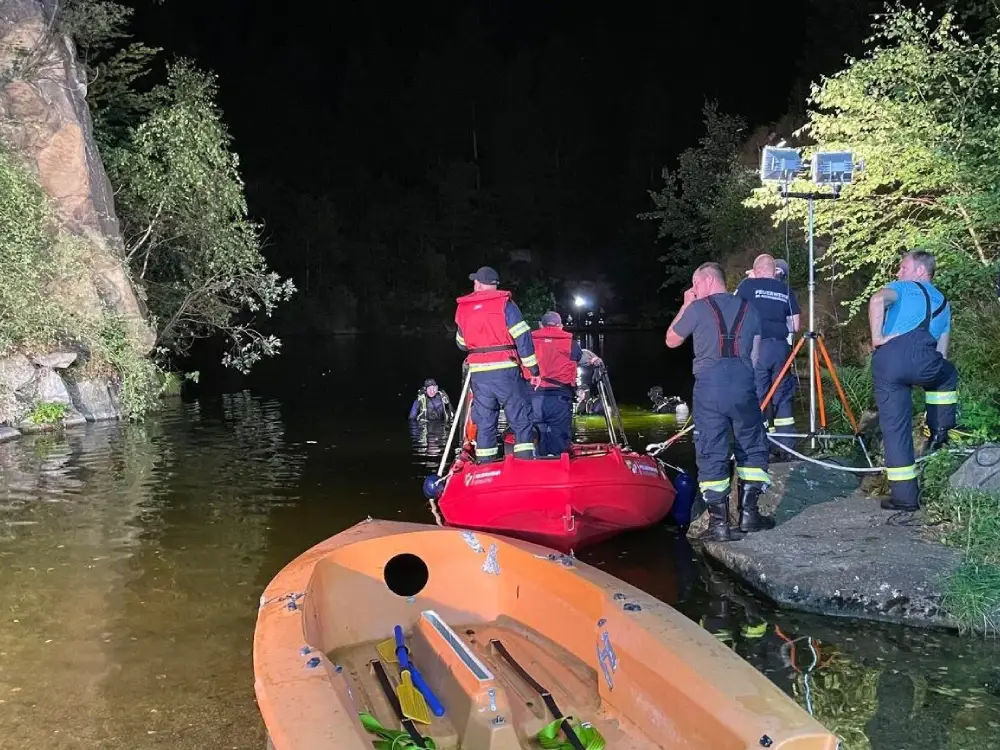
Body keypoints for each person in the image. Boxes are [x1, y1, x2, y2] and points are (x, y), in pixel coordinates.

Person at [666, 261, 773, 540]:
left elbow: (671, 340)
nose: (693, 289)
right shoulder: (750, 309)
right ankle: (749, 514)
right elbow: (755, 355)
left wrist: (685, 304)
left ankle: (720, 525)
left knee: (712, 449)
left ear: (709, 281)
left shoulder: (698, 308)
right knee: (751, 444)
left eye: (695, 284)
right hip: (744, 384)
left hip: (710, 388)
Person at [868, 250, 958, 511]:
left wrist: (876, 338)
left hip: (891, 359)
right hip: (927, 358)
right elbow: (942, 351)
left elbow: (876, 301)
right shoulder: (943, 301)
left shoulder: (903, 288)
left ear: (920, 271)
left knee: (895, 429)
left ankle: (906, 498)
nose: (898, 272)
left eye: (902, 267)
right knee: (947, 374)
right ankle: (940, 431)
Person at [455, 266, 540, 462]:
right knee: (520, 421)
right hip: (506, 372)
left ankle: (486, 469)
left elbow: (461, 343)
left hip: (479, 375)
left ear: (477, 283)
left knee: (485, 423)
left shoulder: (463, 308)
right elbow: (522, 337)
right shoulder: (506, 305)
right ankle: (524, 466)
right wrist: (533, 369)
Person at [735, 254, 801, 451]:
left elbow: (732, 308)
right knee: (782, 394)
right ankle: (786, 445)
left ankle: (760, 443)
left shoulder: (748, 286)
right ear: (774, 271)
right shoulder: (786, 290)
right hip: (781, 348)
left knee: (758, 393)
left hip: (757, 347)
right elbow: (795, 325)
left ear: (757, 270)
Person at [529, 311, 582, 455]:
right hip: (560, 398)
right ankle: (557, 469)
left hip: (533, 397)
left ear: (541, 324)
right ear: (561, 325)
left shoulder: (528, 341)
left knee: (535, 437)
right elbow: (578, 357)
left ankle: (535, 467)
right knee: (559, 440)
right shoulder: (571, 343)